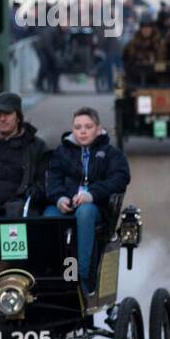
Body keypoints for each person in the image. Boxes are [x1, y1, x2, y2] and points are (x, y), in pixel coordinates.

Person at [44, 107, 130, 298]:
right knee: (48, 217)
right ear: (72, 130)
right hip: (66, 205)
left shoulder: (111, 154)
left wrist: (91, 194)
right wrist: (59, 198)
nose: (82, 131)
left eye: (88, 127)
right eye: (78, 127)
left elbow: (120, 179)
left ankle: (81, 277)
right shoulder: (61, 152)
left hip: (96, 207)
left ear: (98, 129)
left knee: (84, 212)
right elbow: (52, 179)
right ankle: (53, 274)